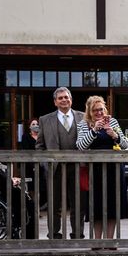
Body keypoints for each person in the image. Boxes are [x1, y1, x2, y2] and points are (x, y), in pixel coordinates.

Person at [35, 87, 86, 239]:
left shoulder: (83, 117)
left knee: (78, 203)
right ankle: (54, 233)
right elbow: (39, 146)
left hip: (78, 167)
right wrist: (46, 164)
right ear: (55, 102)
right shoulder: (44, 119)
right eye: (60, 98)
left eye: (66, 97)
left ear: (71, 99)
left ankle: (77, 233)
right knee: (54, 203)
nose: (64, 100)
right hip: (54, 168)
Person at [76, 96, 128, 241]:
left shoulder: (112, 121)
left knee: (113, 206)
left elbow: (125, 145)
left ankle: (110, 240)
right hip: (94, 171)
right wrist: (94, 130)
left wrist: (115, 135)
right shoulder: (83, 124)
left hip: (113, 170)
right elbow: (80, 146)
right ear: (89, 111)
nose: (99, 113)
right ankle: (97, 240)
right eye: (95, 110)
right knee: (96, 207)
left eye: (101, 109)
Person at [18, 118, 40, 196]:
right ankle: (33, 203)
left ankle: (43, 203)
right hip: (30, 164)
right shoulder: (26, 136)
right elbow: (25, 150)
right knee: (32, 185)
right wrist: (32, 164)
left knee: (42, 183)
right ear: (29, 126)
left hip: (41, 163)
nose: (35, 126)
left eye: (37, 124)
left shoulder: (41, 136)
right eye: (33, 124)